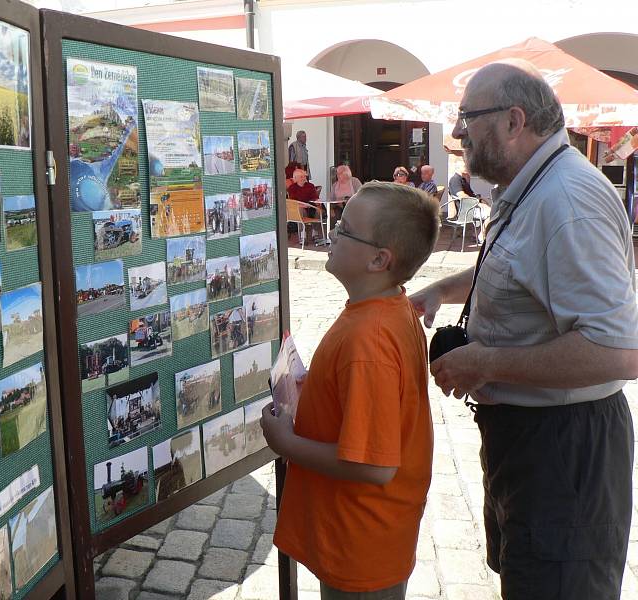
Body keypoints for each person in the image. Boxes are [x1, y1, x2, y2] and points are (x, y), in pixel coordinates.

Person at [410, 59, 638, 600]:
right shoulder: (533, 182)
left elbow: (621, 350)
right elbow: (512, 266)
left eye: (468, 117)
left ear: (514, 121)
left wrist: (486, 361)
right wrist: (439, 291)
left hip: (563, 449)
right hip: (532, 439)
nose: (458, 132)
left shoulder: (568, 200)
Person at [262, 181, 440, 599]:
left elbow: (374, 466)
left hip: (361, 544)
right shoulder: (389, 307)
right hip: (368, 536)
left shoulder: (369, 338)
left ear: (379, 259)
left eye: (344, 229)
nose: (332, 235)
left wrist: (286, 442)